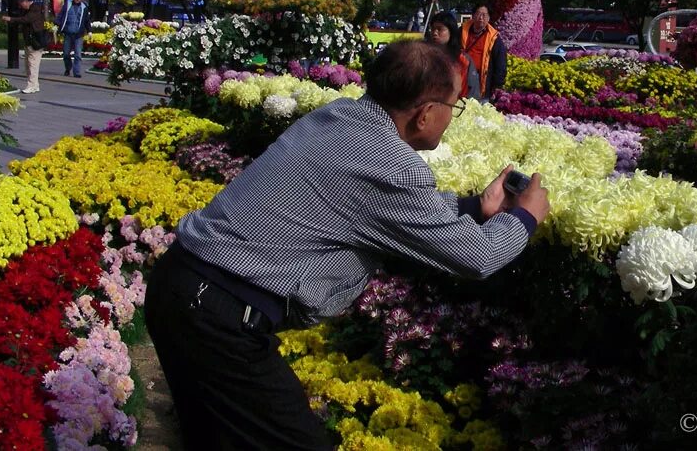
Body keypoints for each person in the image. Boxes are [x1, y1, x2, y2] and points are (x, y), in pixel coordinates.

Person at [145, 40, 550, 450]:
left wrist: (476, 208)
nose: (451, 117)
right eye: (453, 106)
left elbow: (385, 210)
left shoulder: (339, 116)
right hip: (216, 317)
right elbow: (477, 257)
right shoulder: (391, 164)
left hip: (182, 285)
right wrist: (525, 216)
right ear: (426, 113)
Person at [425, 10, 480, 98]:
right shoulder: (425, 56)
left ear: (451, 32)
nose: (434, 33)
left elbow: (473, 91)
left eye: (440, 29)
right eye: (433, 29)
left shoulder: (463, 59)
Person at [461, 5, 507, 102]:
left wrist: (498, 84)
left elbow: (500, 63)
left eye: (484, 15)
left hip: (482, 82)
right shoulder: (461, 31)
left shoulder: (494, 38)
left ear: (489, 18)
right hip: (462, 79)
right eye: (478, 14)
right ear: (473, 16)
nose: (481, 18)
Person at [2, 0, 46, 94]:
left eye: (21, 4)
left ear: (26, 1)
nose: (20, 6)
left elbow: (25, 19)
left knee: (33, 64)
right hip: (29, 42)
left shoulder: (35, 9)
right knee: (28, 64)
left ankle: (31, 86)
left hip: (36, 42)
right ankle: (35, 85)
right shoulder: (27, 10)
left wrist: (10, 19)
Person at [54, 0, 92, 77]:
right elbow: (60, 15)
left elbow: (87, 20)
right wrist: (56, 24)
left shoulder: (84, 7)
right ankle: (68, 68)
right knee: (66, 53)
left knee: (78, 54)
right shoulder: (67, 5)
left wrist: (89, 30)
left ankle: (77, 72)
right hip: (68, 33)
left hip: (78, 34)